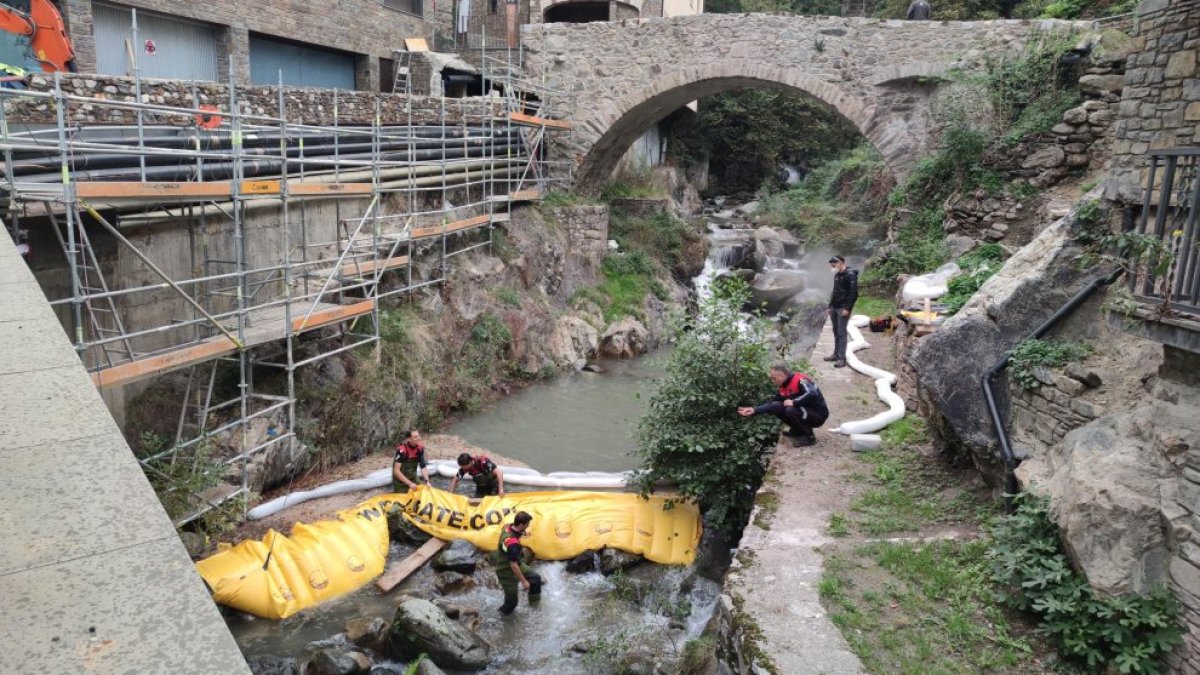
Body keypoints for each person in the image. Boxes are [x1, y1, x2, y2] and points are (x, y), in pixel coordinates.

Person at [737, 364, 829, 446]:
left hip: (818, 415)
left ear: (782, 376)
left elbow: (812, 394)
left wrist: (794, 402)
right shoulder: (783, 387)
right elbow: (773, 404)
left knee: (790, 410)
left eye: (774, 378)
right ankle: (798, 431)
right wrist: (755, 410)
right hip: (805, 412)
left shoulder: (800, 380)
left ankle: (809, 437)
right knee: (776, 406)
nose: (772, 381)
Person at [491, 511, 542, 615]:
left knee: (535, 578)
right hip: (505, 571)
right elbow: (513, 566)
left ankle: (535, 607)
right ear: (521, 524)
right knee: (512, 604)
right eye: (527, 524)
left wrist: (521, 533)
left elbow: (515, 562)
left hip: (515, 562)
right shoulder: (513, 544)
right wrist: (524, 581)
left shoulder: (507, 526)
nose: (528, 526)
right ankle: (498, 617)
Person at [825, 255, 859, 368]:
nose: (832, 267)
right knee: (835, 331)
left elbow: (854, 294)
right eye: (831, 265)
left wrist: (848, 309)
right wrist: (830, 306)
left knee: (841, 332)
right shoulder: (837, 275)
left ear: (841, 263)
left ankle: (841, 358)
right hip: (835, 307)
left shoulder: (850, 275)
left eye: (834, 265)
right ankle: (835, 354)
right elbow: (834, 292)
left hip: (843, 308)